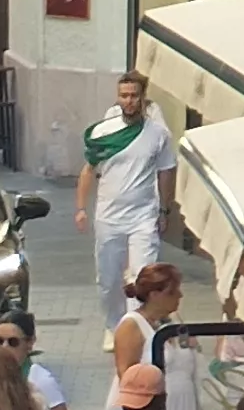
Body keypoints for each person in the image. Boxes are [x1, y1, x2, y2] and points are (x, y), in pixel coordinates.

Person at [73, 74, 172, 296]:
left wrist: (164, 210)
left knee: (143, 280)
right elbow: (89, 169)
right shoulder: (104, 132)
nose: (128, 101)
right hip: (109, 217)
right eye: (124, 95)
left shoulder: (158, 134)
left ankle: (136, 326)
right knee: (109, 281)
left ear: (143, 98)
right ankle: (115, 327)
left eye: (134, 95)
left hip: (143, 217)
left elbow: (165, 172)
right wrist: (80, 208)